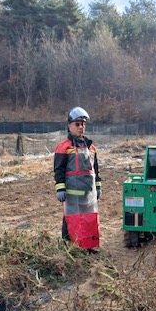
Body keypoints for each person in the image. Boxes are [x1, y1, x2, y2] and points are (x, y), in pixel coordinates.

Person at [53, 107, 101, 250]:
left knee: (89, 219)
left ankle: (89, 246)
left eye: (83, 124)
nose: (81, 127)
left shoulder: (90, 147)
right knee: (71, 220)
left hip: (89, 194)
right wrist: (60, 188)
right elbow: (59, 170)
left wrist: (98, 187)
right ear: (69, 126)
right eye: (77, 124)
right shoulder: (64, 147)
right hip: (72, 195)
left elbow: (96, 169)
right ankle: (69, 247)